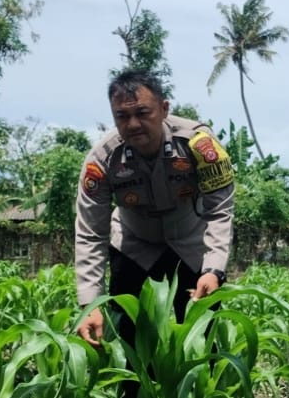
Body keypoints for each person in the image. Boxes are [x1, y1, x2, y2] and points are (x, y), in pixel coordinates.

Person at [75, 69, 235, 354]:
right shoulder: (102, 159)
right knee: (129, 343)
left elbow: (220, 210)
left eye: (142, 113)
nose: (133, 124)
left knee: (202, 341)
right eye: (122, 116)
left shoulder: (198, 144)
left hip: (190, 243)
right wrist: (90, 303)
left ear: (164, 109)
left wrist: (214, 269)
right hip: (134, 245)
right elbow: (91, 233)